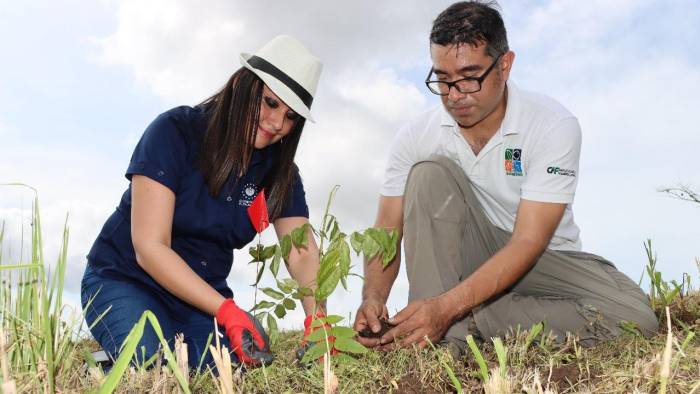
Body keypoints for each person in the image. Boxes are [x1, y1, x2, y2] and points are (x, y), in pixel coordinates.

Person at [353, 1, 658, 353]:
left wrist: (450, 307)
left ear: (505, 65)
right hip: (464, 252)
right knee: (427, 175)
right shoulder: (415, 136)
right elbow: (387, 228)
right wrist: (373, 296)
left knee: (636, 317)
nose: (455, 96)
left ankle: (462, 321)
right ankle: (441, 344)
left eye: (469, 78)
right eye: (443, 80)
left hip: (543, 257)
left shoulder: (551, 125)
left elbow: (528, 241)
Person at [81, 35, 327, 370]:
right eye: (270, 103)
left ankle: (149, 351)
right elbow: (149, 247)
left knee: (242, 362)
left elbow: (302, 251)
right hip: (125, 279)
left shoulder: (280, 173)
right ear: (243, 84)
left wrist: (318, 320)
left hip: (201, 298)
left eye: (291, 116)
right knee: (154, 361)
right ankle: (116, 360)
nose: (277, 124)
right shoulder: (174, 132)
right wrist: (227, 311)